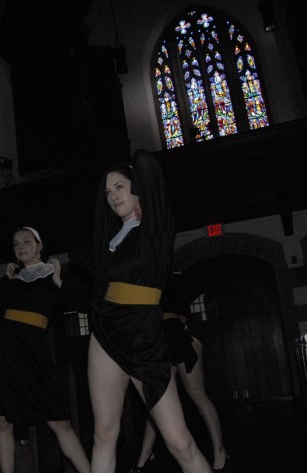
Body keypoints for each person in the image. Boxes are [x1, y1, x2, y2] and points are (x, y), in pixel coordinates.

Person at [87, 150, 212, 473]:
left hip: (143, 334)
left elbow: (147, 165)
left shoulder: (155, 227)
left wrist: (130, 164)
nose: (113, 196)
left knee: (180, 443)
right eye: (108, 192)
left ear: (138, 187)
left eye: (120, 187)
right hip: (106, 331)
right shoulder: (111, 239)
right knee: (104, 433)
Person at [0, 226, 91, 473]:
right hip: (5, 354)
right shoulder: (12, 279)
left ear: (40, 246)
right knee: (2, 422)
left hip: (34, 355)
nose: (20, 247)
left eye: (26, 241)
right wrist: (5, 280)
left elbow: (84, 303)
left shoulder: (53, 273)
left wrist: (60, 280)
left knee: (60, 422)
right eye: (16, 243)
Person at [131, 294, 228, 473]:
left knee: (198, 396)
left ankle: (220, 451)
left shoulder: (167, 284)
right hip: (156, 340)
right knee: (157, 402)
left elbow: (181, 312)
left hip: (178, 337)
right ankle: (145, 455)